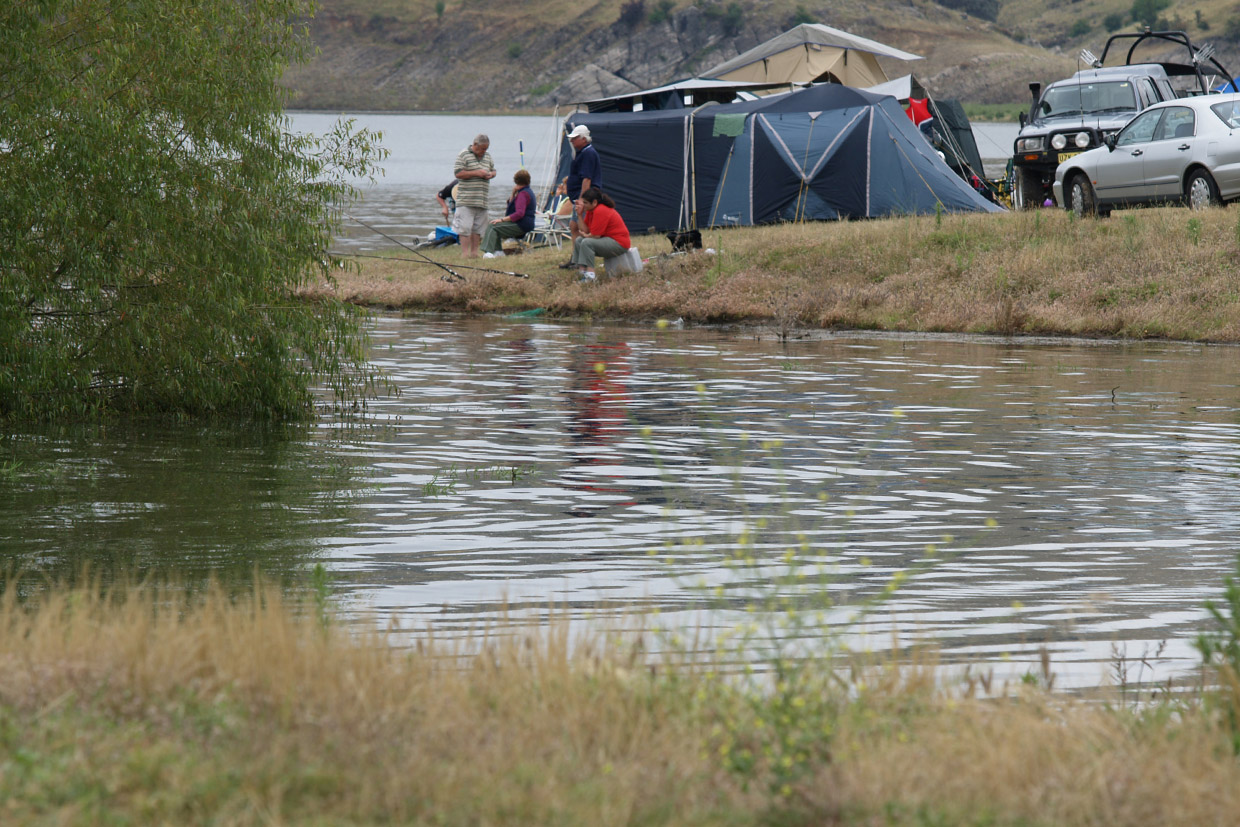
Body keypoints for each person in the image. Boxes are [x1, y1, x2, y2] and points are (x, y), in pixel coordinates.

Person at [559, 124, 601, 268]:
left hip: (583, 198)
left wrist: (582, 200)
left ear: (583, 139)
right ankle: (576, 258)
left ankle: (581, 260)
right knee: (573, 225)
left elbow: (587, 179)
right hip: (578, 197)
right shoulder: (583, 152)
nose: (572, 141)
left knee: (581, 228)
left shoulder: (588, 153)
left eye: (575, 138)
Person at [570, 187, 629, 281]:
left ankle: (591, 275)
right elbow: (585, 230)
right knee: (579, 240)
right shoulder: (590, 211)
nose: (583, 205)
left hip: (619, 243)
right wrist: (579, 215)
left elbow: (595, 236)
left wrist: (586, 236)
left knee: (586, 242)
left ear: (594, 202)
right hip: (607, 241)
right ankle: (582, 271)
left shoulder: (600, 210)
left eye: (585, 203)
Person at [453, 133, 496, 258]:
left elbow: (494, 170)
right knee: (464, 228)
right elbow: (458, 173)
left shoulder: (488, 157)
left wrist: (491, 174)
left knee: (478, 229)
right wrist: (477, 173)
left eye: (486, 149)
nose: (484, 151)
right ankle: (465, 253)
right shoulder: (463, 155)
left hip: (482, 199)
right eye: (482, 149)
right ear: (475, 145)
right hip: (466, 199)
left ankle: (474, 253)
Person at [481, 170, 536, 258]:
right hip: (525, 224)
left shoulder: (523, 194)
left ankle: (489, 252)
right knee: (496, 226)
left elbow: (519, 214)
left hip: (521, 225)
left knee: (493, 226)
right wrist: (513, 193)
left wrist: (501, 220)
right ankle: (498, 252)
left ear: (516, 181)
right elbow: (512, 204)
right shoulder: (527, 191)